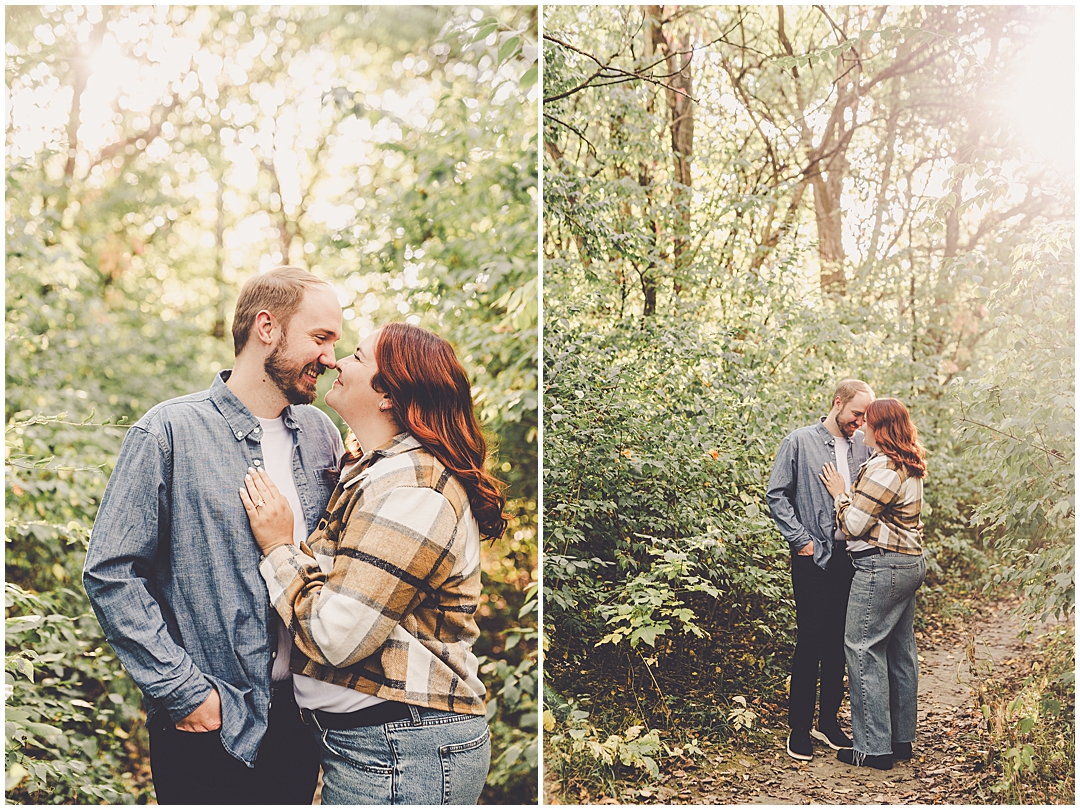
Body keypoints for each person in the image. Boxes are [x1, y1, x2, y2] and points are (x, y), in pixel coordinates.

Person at [83, 266, 344, 804]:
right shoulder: (167, 432)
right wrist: (183, 693)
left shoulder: (323, 437)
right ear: (266, 328)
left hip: (300, 718)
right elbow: (111, 572)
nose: (332, 358)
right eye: (320, 338)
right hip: (206, 723)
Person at [239, 322, 506, 805]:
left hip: (406, 750)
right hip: (380, 745)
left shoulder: (413, 491)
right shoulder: (376, 470)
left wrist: (279, 548)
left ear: (388, 394)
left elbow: (337, 638)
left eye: (358, 358)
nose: (335, 361)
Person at [767, 379, 875, 762]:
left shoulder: (865, 446)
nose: (860, 422)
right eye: (856, 414)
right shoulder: (799, 441)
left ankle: (827, 722)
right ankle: (798, 729)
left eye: (865, 417)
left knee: (839, 643)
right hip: (812, 559)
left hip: (853, 559)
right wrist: (801, 540)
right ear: (837, 403)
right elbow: (776, 494)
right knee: (811, 639)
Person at [820, 397, 927, 771]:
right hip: (908, 564)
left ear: (881, 429)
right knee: (899, 652)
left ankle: (873, 748)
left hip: (882, 568)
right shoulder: (908, 463)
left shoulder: (883, 467)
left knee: (862, 648)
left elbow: (852, 526)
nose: (861, 425)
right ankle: (900, 741)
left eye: (868, 421)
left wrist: (839, 494)